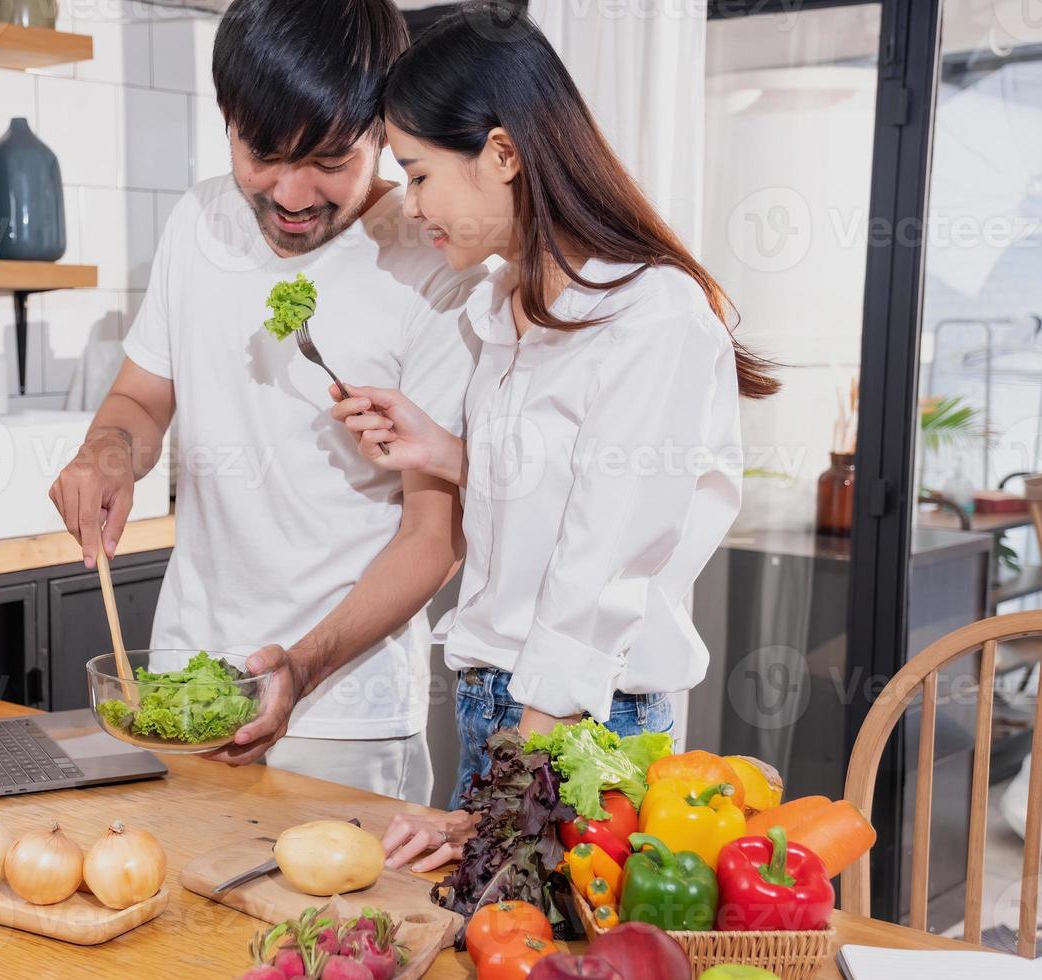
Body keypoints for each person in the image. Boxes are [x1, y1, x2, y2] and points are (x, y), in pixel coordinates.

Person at [325, 4, 780, 868]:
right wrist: (446, 454)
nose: (412, 206)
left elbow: (597, 569)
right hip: (498, 706)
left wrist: (508, 795)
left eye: (420, 175)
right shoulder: (506, 303)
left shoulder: (653, 315)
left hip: (583, 722)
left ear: (502, 153)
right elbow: (565, 489)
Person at [47, 0, 483, 805]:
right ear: (228, 119)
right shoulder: (200, 219)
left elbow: (438, 532)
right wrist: (104, 455)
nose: (289, 193)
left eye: (327, 160)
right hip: (182, 696)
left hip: (341, 719)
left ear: (382, 130)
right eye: (262, 153)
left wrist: (303, 666)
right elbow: (142, 396)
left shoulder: (437, 263)